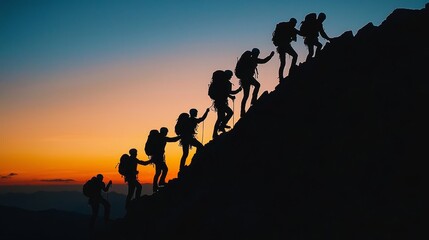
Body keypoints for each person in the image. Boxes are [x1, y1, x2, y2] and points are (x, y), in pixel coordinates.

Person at [237, 48, 274, 117]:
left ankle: (242, 111)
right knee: (257, 86)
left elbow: (263, 61)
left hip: (245, 79)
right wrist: (271, 56)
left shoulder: (248, 59)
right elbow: (264, 61)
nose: (257, 55)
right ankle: (253, 100)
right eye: (257, 54)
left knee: (246, 96)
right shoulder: (253, 59)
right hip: (248, 78)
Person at [178, 107, 209, 174]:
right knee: (200, 146)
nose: (196, 113)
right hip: (189, 138)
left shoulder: (187, 120)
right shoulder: (192, 120)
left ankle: (181, 168)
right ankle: (197, 158)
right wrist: (206, 112)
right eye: (195, 112)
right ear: (193, 113)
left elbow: (201, 119)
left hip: (184, 138)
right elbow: (202, 119)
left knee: (185, 154)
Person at [212, 70, 241, 139]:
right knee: (229, 113)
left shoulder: (221, 83)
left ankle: (219, 129)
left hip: (219, 102)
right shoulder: (227, 83)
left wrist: (231, 96)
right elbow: (228, 92)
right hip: (221, 102)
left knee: (220, 117)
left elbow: (226, 93)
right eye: (230, 76)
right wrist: (238, 90)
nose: (231, 77)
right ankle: (221, 127)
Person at [151, 127, 180, 193]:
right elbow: (172, 140)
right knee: (163, 170)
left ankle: (156, 186)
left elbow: (172, 140)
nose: (166, 133)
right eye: (166, 132)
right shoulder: (162, 138)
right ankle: (159, 183)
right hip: (158, 157)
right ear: (164, 132)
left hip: (156, 157)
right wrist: (180, 137)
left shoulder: (157, 138)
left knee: (159, 172)